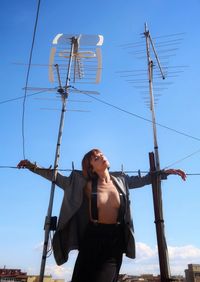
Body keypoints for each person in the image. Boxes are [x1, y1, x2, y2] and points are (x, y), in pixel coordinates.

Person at [17, 148, 186, 282]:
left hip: (115, 240)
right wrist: (32, 166)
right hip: (92, 237)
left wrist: (166, 173)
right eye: (96, 158)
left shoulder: (121, 180)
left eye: (101, 154)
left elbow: (146, 180)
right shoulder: (82, 183)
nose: (101, 157)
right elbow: (55, 177)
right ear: (91, 168)